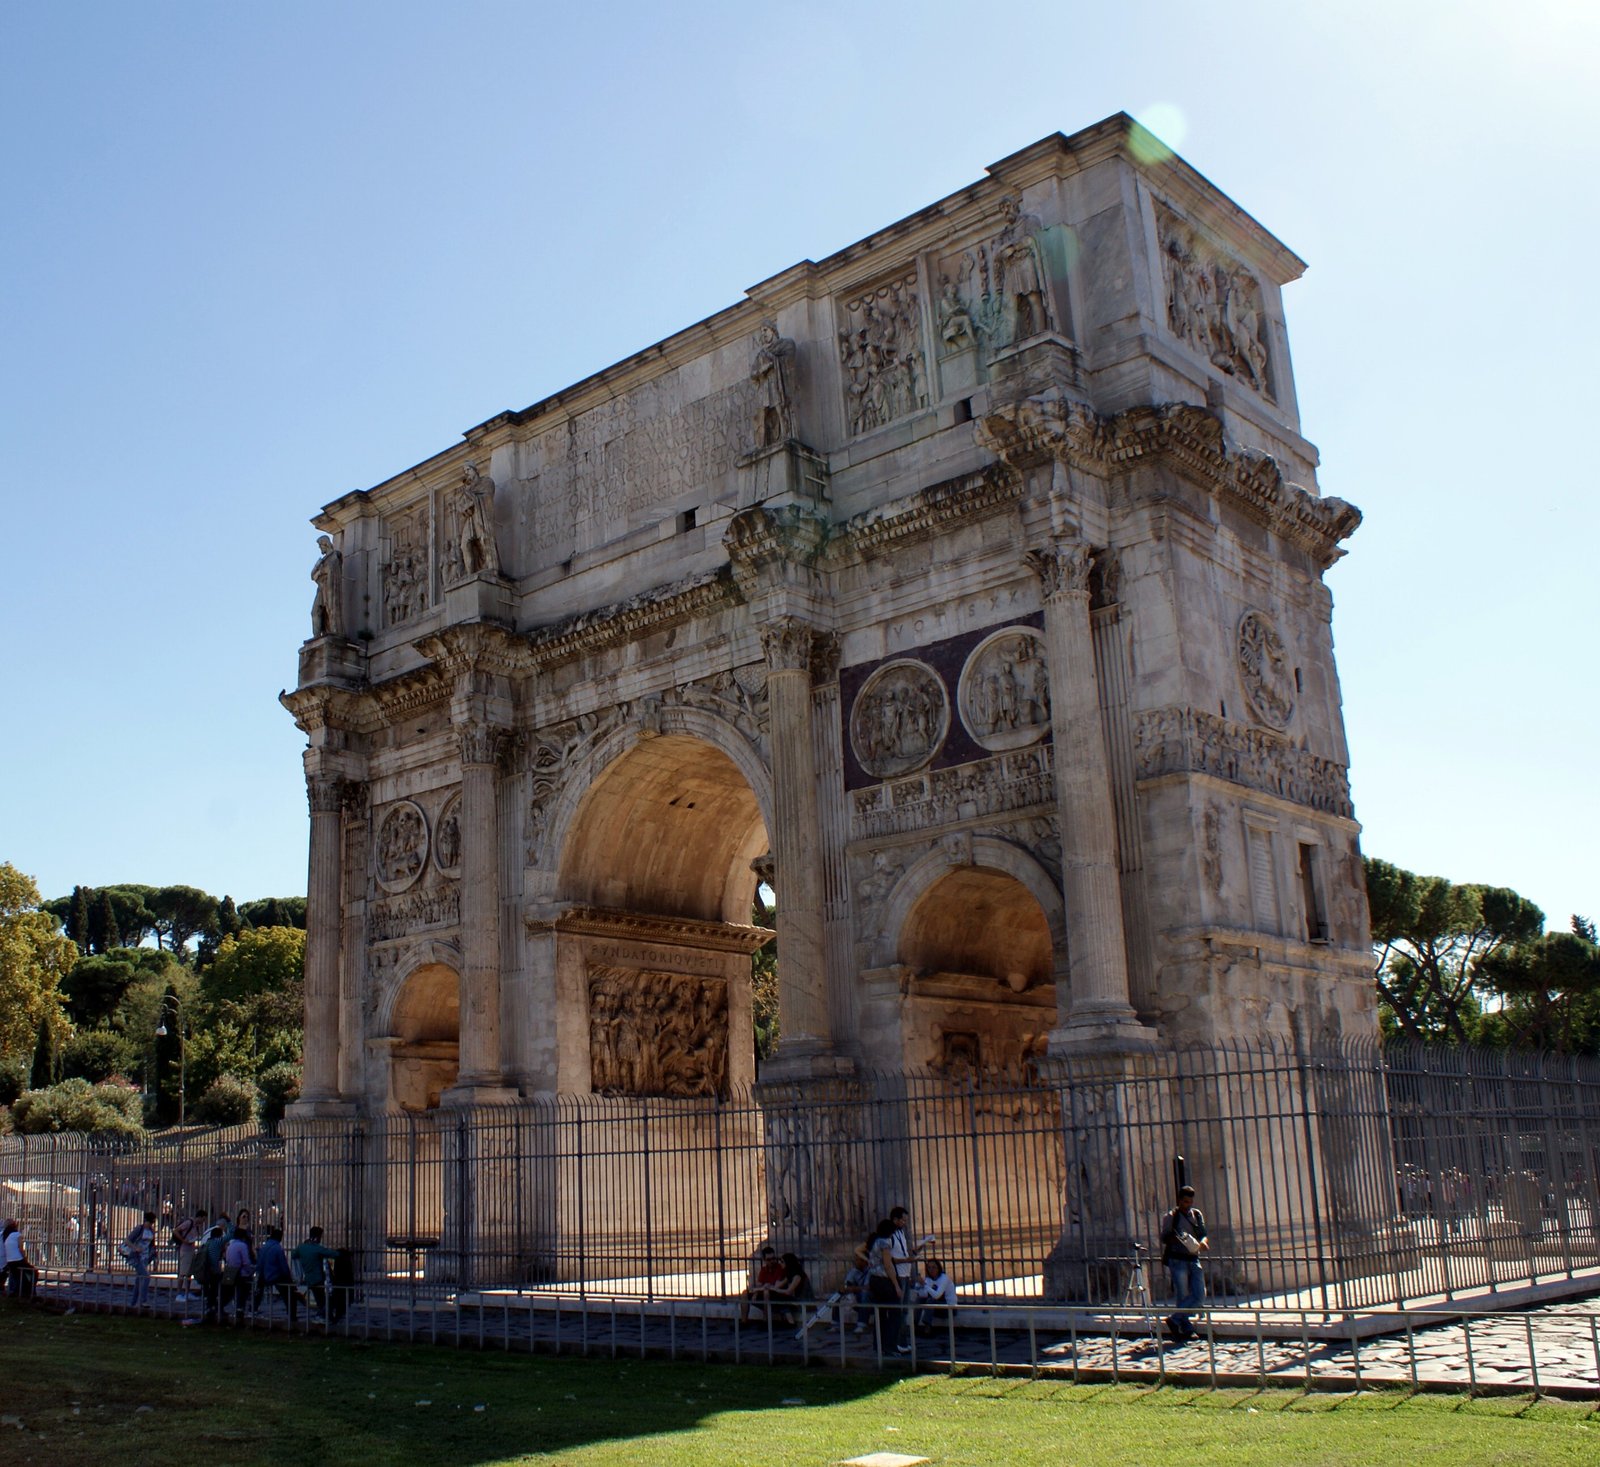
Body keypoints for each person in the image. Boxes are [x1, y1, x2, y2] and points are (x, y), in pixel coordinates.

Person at [1159, 1184, 1209, 1342]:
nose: (1188, 1205)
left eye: (1190, 1202)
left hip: (1193, 1257)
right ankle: (1186, 1327)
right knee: (1182, 1294)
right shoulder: (1171, 1216)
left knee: (1199, 1294)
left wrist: (1202, 1243)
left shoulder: (1196, 1214)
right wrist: (1179, 1238)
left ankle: (1174, 1319)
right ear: (1180, 1200)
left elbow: (1203, 1234)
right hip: (1177, 1259)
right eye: (1185, 1202)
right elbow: (1164, 1238)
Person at [887, 1206, 933, 1355]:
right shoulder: (890, 1236)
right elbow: (890, 1260)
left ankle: (902, 1341)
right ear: (895, 1220)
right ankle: (897, 1342)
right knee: (899, 1311)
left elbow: (907, 1253)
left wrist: (922, 1245)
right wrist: (907, 1259)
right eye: (903, 1220)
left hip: (905, 1275)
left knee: (905, 1311)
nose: (905, 1223)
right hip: (898, 1276)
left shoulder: (901, 1233)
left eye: (906, 1220)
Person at [291, 1227, 339, 1321]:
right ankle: (323, 1316)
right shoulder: (317, 1248)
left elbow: (293, 1255)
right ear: (317, 1237)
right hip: (318, 1278)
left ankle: (326, 1316)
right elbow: (334, 1254)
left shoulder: (301, 1247)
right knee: (324, 1299)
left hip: (308, 1278)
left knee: (320, 1299)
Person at [254, 1226, 297, 1323]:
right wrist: (289, 1277)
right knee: (289, 1294)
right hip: (275, 1275)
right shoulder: (278, 1248)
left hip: (263, 1274)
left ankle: (254, 1308)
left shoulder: (264, 1247)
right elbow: (283, 1266)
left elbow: (259, 1262)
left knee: (258, 1290)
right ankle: (292, 1315)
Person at [738, 1245, 786, 1325]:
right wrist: (756, 1293)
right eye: (769, 1259)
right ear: (764, 1260)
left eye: (773, 1259)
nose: (772, 1261)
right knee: (745, 1293)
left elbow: (775, 1286)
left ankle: (765, 1321)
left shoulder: (779, 1268)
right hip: (763, 1291)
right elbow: (759, 1285)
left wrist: (764, 1287)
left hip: (775, 1293)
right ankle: (744, 1321)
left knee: (766, 1292)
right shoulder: (764, 1270)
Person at [123, 1211, 156, 1310]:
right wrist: (135, 1247)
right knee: (146, 1277)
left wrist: (155, 1257)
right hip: (136, 1257)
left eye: (152, 1223)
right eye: (149, 1222)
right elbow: (127, 1240)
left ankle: (133, 1302)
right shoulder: (139, 1229)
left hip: (145, 1257)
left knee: (139, 1280)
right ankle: (143, 1300)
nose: (150, 1225)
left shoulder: (151, 1231)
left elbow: (152, 1245)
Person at [914, 1257, 958, 1333]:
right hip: (935, 1308)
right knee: (919, 1299)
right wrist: (918, 1284)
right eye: (929, 1268)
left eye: (934, 1267)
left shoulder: (944, 1279)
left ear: (938, 1268)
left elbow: (937, 1295)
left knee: (931, 1300)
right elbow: (923, 1294)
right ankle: (914, 1325)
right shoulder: (929, 1279)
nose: (931, 1270)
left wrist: (924, 1285)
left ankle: (927, 1327)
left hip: (948, 1309)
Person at [172, 1207, 204, 1303]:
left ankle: (187, 1292)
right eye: (203, 1219)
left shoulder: (196, 1226)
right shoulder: (189, 1223)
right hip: (185, 1250)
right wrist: (183, 1240)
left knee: (189, 1273)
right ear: (200, 1217)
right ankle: (178, 1293)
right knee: (183, 1273)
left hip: (191, 1249)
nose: (203, 1221)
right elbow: (175, 1230)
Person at [2, 1219, 31, 1298]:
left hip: (9, 1260)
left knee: (15, 1275)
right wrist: (25, 1259)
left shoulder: (4, 1235)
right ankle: (29, 1291)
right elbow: (21, 1249)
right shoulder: (17, 1234)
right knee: (32, 1272)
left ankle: (14, 1291)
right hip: (17, 1259)